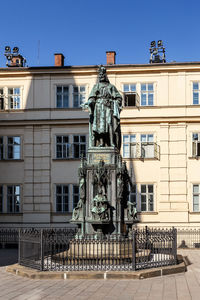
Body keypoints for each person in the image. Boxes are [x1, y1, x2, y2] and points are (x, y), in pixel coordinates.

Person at [82, 66, 122, 149]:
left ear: (105, 76)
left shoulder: (111, 87)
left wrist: (115, 103)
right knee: (100, 126)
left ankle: (111, 143)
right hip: (99, 108)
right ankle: (101, 143)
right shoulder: (96, 86)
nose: (101, 76)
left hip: (108, 108)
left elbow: (119, 97)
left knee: (109, 124)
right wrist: (90, 103)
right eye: (100, 75)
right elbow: (92, 97)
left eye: (102, 75)